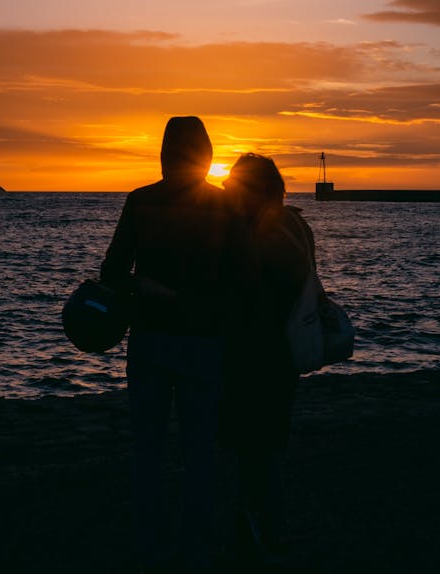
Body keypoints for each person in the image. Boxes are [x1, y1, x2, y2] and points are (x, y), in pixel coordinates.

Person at [100, 116, 232, 574]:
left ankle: (150, 537)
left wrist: (148, 288)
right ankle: (196, 539)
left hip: (152, 340)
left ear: (164, 151)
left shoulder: (140, 202)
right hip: (206, 340)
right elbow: (243, 278)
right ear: (207, 154)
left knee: (148, 444)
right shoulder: (226, 206)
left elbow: (111, 274)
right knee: (200, 447)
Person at [220, 153, 315, 568]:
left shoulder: (253, 235)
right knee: (267, 443)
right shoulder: (297, 225)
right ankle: (266, 526)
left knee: (248, 446)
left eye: (230, 187)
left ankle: (258, 529)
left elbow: (240, 295)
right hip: (285, 354)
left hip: (253, 353)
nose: (224, 193)